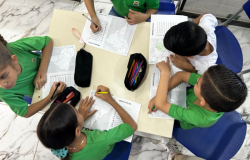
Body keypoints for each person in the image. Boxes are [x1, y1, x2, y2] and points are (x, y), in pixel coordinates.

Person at [37, 85, 137, 160]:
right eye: (76, 111)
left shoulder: (57, 145)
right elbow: (132, 126)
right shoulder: (101, 140)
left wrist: (79, 120)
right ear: (77, 131)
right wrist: (110, 99)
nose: (78, 110)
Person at [148, 57, 247, 130]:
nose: (197, 78)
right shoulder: (210, 86)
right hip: (183, 99)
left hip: (183, 119)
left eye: (197, 82)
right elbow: (181, 75)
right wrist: (159, 95)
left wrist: (165, 73)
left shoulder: (199, 118)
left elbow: (161, 104)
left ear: (203, 101)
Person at [0, 35, 66, 118]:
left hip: (52, 66)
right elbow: (25, 112)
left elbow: (47, 41)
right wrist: (51, 96)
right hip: (45, 92)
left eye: (3, 76)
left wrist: (41, 71)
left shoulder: (15, 48)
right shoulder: (2, 92)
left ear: (14, 60)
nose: (2, 85)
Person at [84, 0, 159, 33]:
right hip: (117, 12)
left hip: (139, 17)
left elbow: (153, 8)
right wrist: (93, 16)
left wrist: (145, 16)